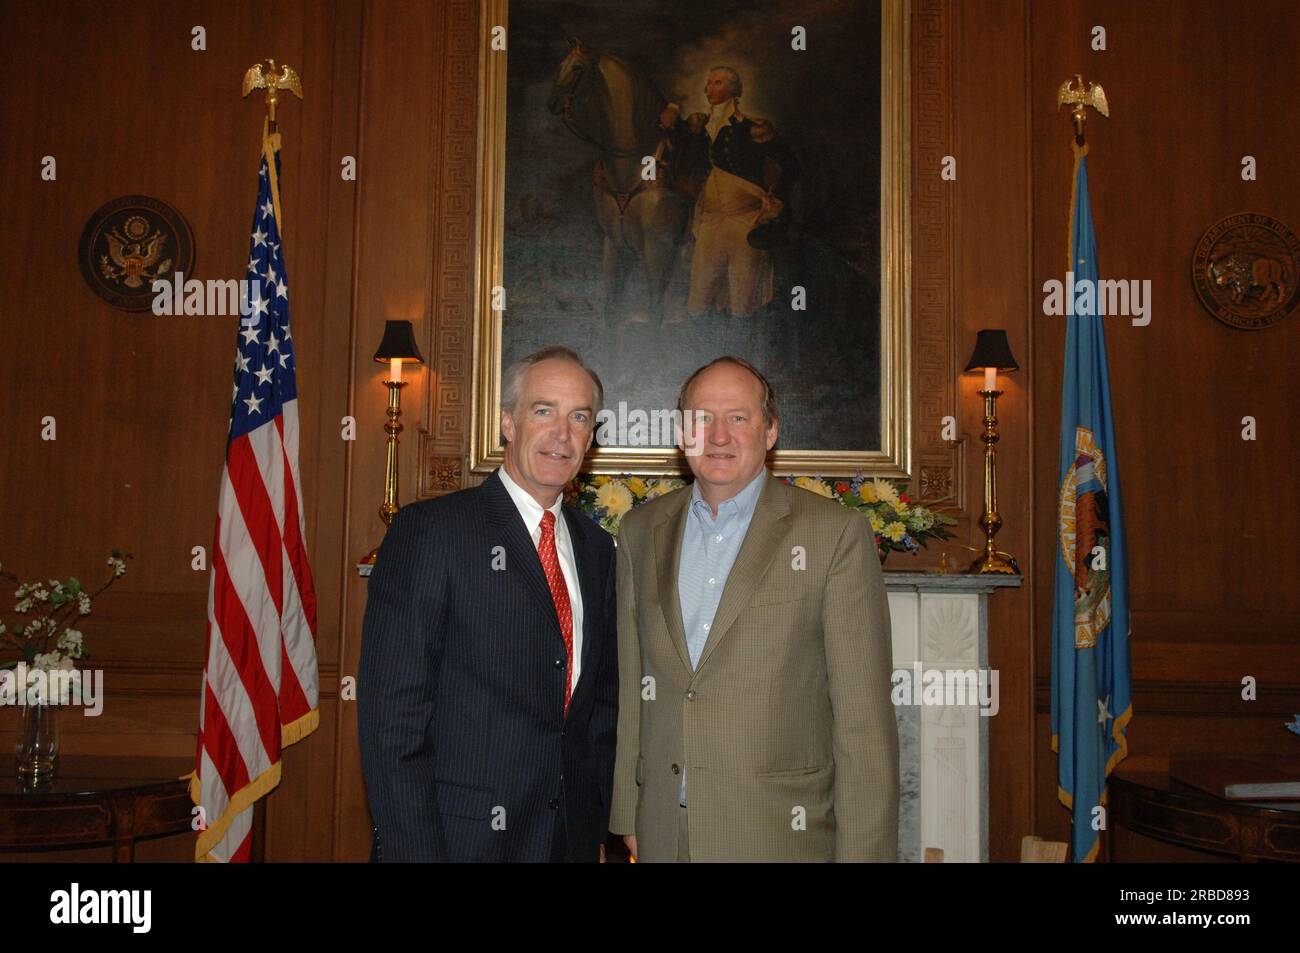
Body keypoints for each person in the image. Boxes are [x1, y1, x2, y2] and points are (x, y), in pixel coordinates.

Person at [609, 356, 898, 861]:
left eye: (738, 418)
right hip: (664, 834)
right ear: (682, 433)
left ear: (770, 432)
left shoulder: (833, 535)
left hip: (780, 833)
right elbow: (635, 687)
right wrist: (627, 811)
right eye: (702, 418)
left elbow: (863, 721)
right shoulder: (639, 532)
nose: (718, 436)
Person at [359, 346, 617, 862]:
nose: (562, 433)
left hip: (570, 842)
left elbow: (599, 712)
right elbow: (392, 721)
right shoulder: (432, 532)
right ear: (507, 423)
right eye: (543, 411)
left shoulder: (597, 549)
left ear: (591, 438)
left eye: (579, 417)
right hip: (459, 844)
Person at [659, 67, 801, 317]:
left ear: (733, 89)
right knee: (699, 301)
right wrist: (672, 107)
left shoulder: (753, 128)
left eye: (717, 83)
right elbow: (676, 143)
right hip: (710, 221)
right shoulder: (699, 127)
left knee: (743, 302)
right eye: (708, 83)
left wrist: (775, 201)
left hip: (745, 222)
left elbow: (790, 165)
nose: (708, 89)